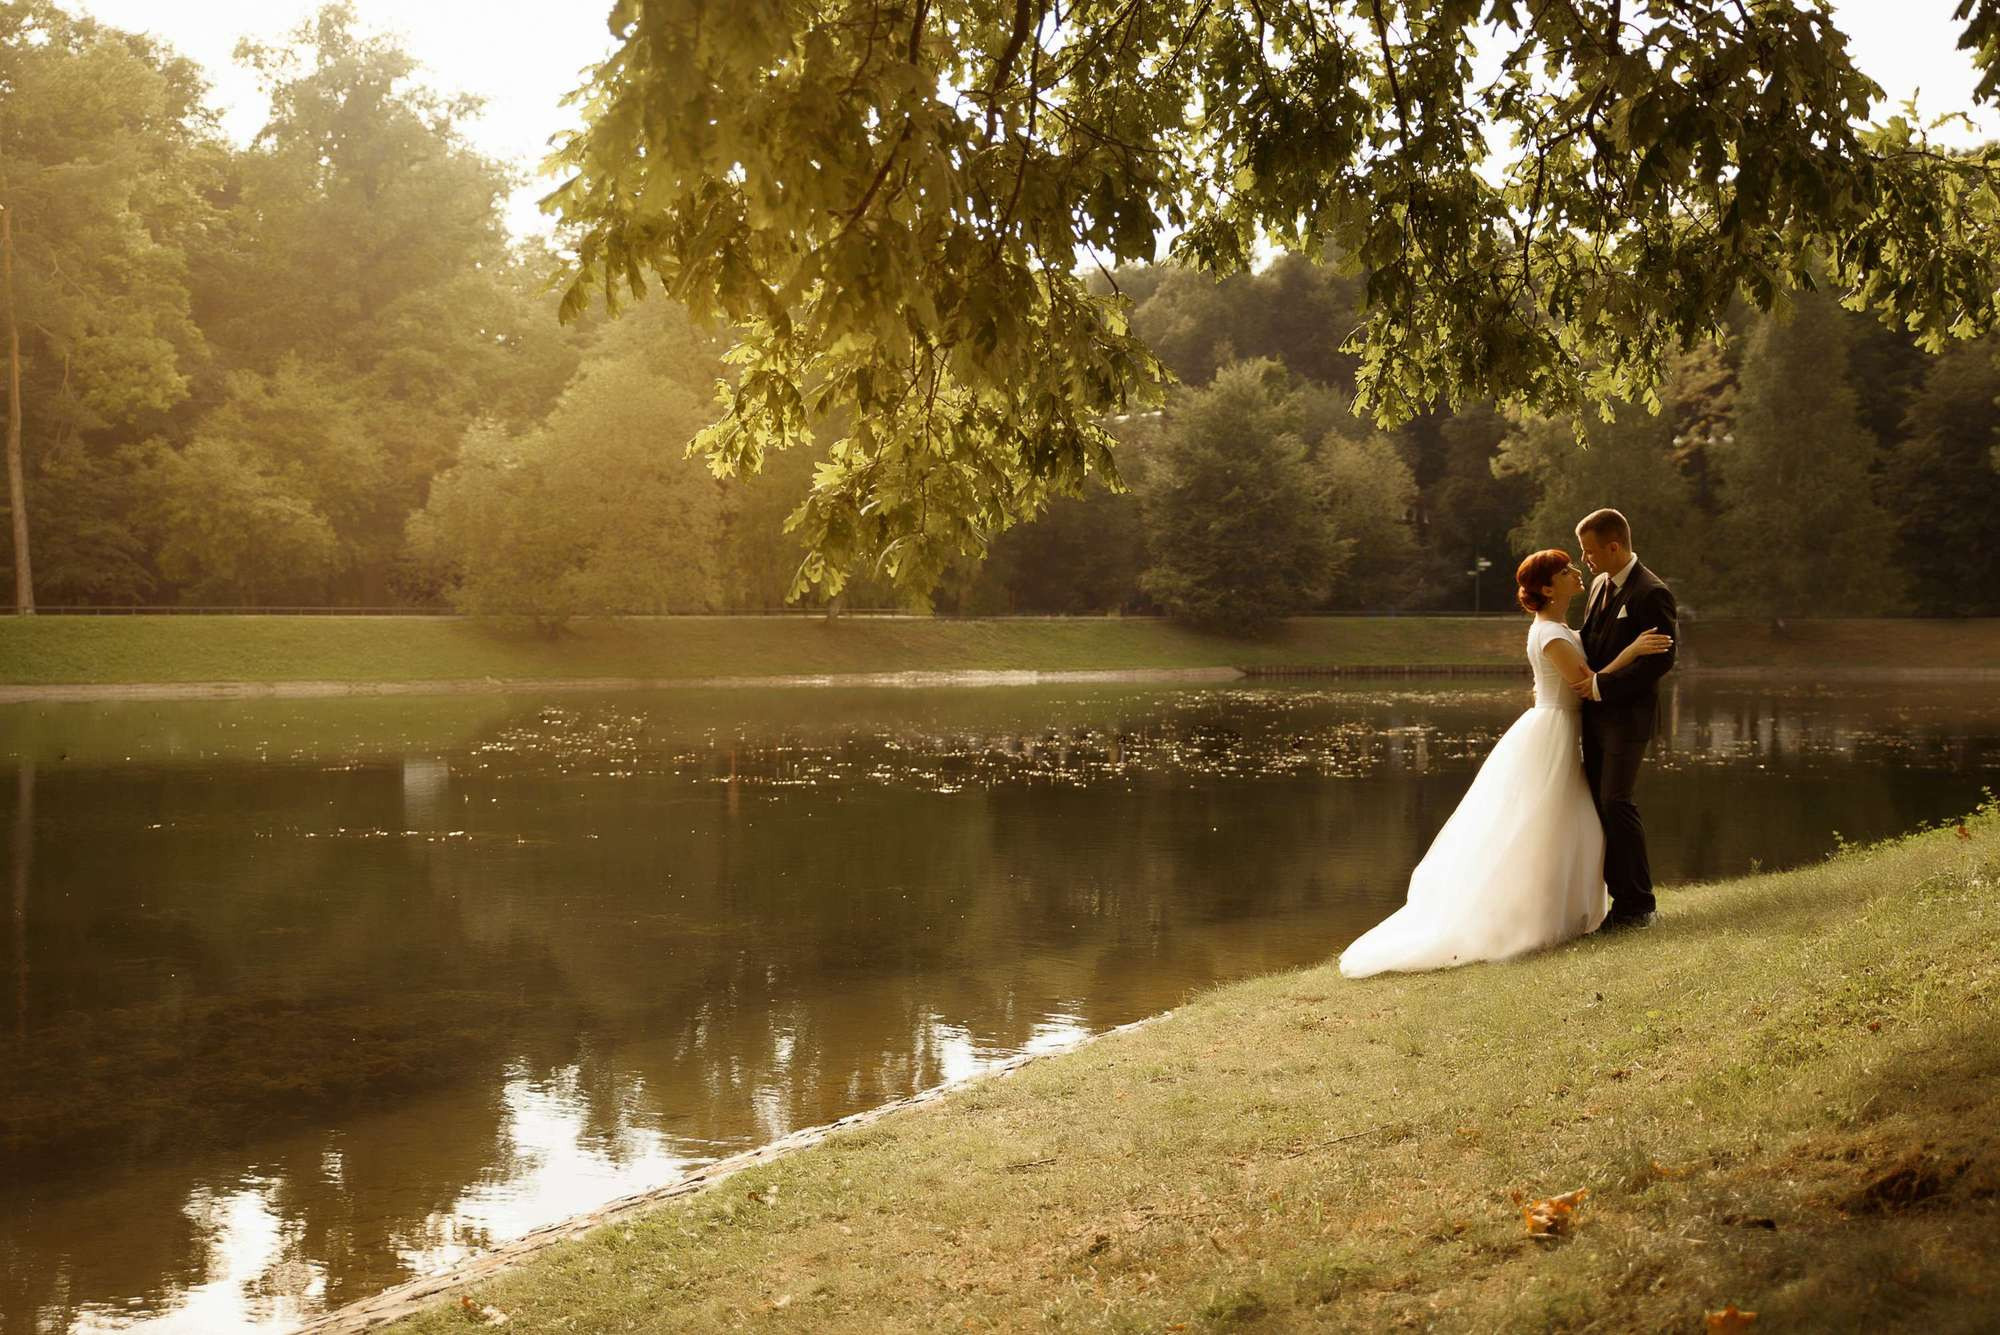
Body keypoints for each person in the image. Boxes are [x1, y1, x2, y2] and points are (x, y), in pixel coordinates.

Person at [1338, 548, 1672, 978]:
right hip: (1553, 730)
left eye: (1574, 566)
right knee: (1540, 823)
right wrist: (1633, 651)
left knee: (1566, 823)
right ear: (1548, 588)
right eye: (1566, 570)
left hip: (1560, 727)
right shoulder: (1550, 634)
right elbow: (1587, 686)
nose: (1576, 573)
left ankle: (1559, 912)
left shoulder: (1560, 626)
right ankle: (1529, 918)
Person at [1569, 508, 1679, 931]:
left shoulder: (1652, 592)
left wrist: (1602, 687)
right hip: (1595, 718)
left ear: (1614, 546)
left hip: (1628, 718)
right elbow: (1592, 643)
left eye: (1590, 550)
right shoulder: (1599, 585)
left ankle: (1639, 905)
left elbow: (1661, 661)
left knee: (1617, 802)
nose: (1586, 560)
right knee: (1600, 805)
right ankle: (1620, 904)